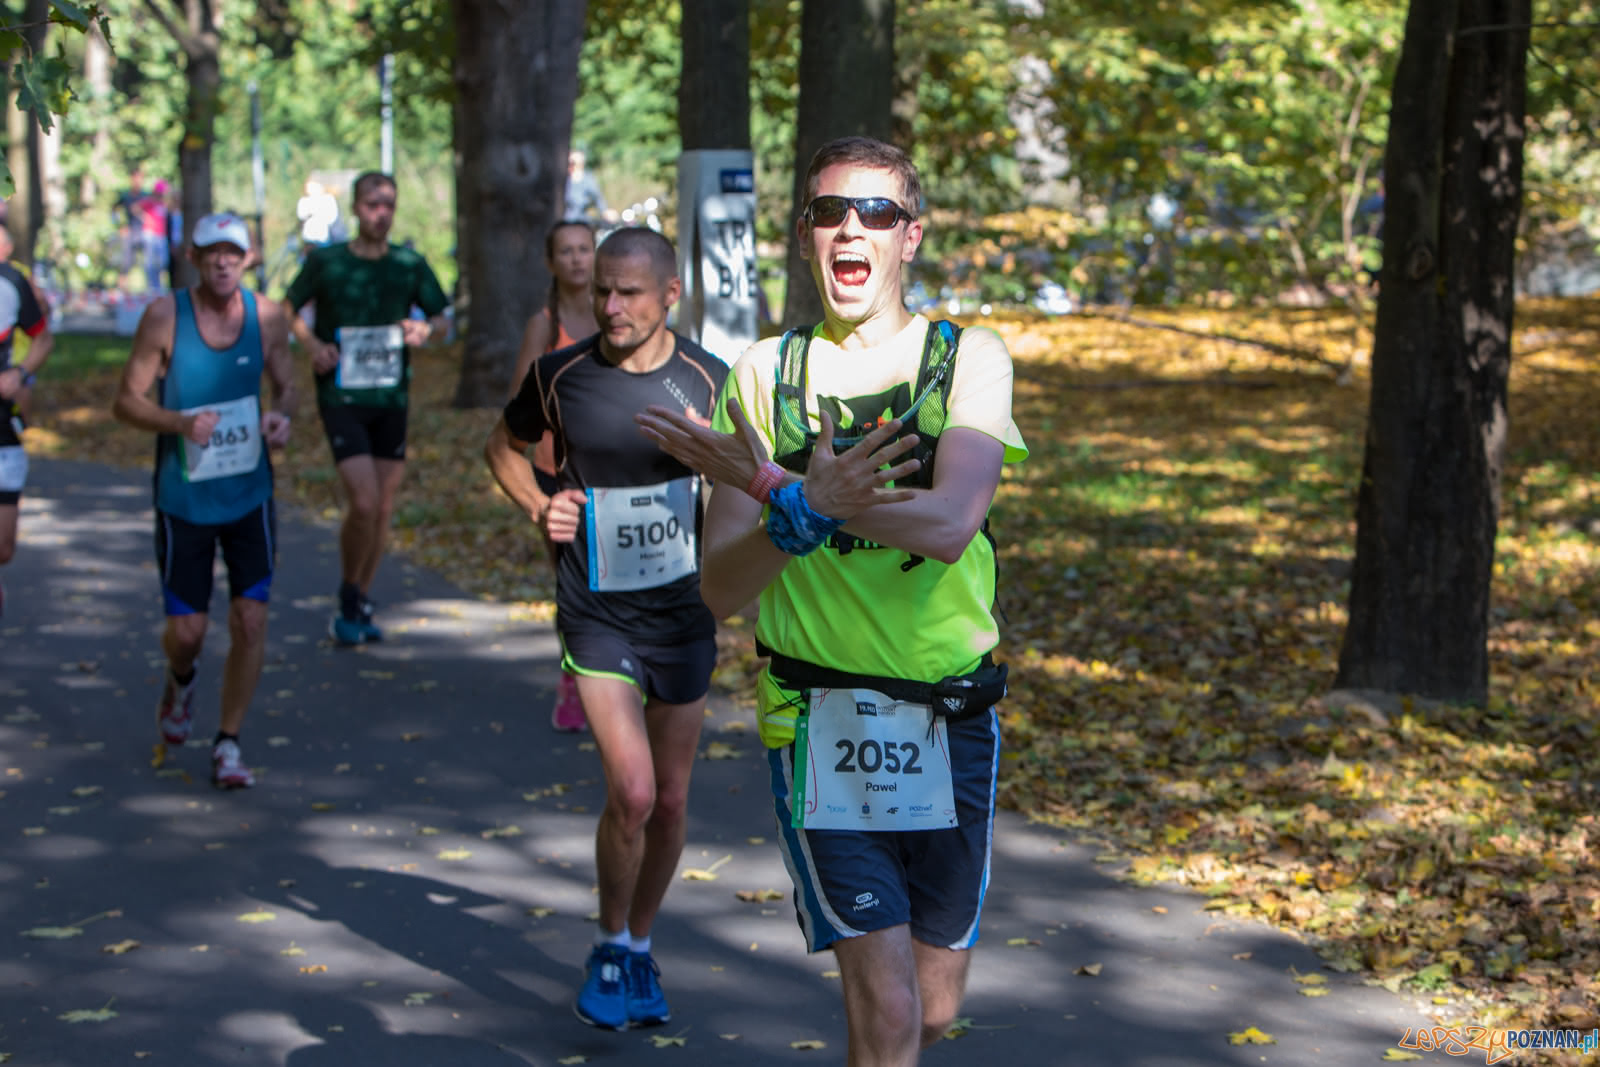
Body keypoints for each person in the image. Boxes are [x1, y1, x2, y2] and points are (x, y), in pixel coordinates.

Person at [635, 136, 1027, 1065]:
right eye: (828, 211)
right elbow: (720, 589)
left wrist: (791, 489)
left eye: (878, 213)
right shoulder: (764, 375)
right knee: (887, 1008)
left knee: (931, 1005)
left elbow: (951, 524)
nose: (851, 228)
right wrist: (793, 510)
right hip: (819, 718)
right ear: (807, 235)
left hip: (949, 714)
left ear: (912, 236)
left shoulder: (965, 358)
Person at [483, 227, 727, 1031]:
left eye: (629, 292)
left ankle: (641, 941)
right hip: (596, 612)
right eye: (602, 292)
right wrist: (538, 503)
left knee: (673, 799)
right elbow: (503, 446)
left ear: (668, 296)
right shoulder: (561, 376)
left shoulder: (708, 381)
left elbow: (746, 480)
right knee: (633, 789)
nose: (612, 306)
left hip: (684, 615)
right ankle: (611, 940)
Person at [110, 212, 295, 788]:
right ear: (193, 257)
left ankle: (228, 742)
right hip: (183, 498)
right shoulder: (165, 316)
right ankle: (182, 679)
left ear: (247, 259)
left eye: (233, 253)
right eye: (212, 252)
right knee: (187, 633)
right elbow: (126, 401)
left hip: (249, 494)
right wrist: (178, 421)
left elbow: (286, 385)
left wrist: (280, 417)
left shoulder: (267, 317)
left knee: (250, 620)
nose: (222, 262)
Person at [282, 171, 450, 646]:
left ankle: (357, 595)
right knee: (364, 500)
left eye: (389, 205)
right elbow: (289, 307)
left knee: (383, 508)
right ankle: (349, 591)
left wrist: (426, 331)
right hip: (341, 395)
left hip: (391, 396)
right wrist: (312, 343)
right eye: (373, 204)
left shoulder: (408, 263)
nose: (382, 213)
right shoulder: (328, 262)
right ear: (355, 208)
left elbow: (441, 316)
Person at [508, 219, 600, 732]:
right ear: (551, 262)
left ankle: (612, 674)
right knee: (572, 578)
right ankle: (573, 676)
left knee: (612, 575)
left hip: (610, 470)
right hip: (554, 470)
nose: (576, 260)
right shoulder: (544, 324)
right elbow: (522, 397)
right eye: (565, 251)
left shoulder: (618, 314)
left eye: (584, 249)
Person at [0, 225, 55, 617]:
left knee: (3, 549)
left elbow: (43, 337)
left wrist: (19, 374)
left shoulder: (12, 283)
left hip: (3, 426)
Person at [564, 149, 609, 224]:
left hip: (581, 220)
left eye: (573, 163)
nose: (571, 166)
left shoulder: (587, 179)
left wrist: (605, 211)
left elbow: (597, 197)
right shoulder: (563, 179)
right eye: (569, 163)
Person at [296, 179, 341, 248]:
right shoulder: (303, 201)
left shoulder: (328, 199)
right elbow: (301, 216)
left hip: (323, 237)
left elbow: (332, 218)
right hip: (308, 238)